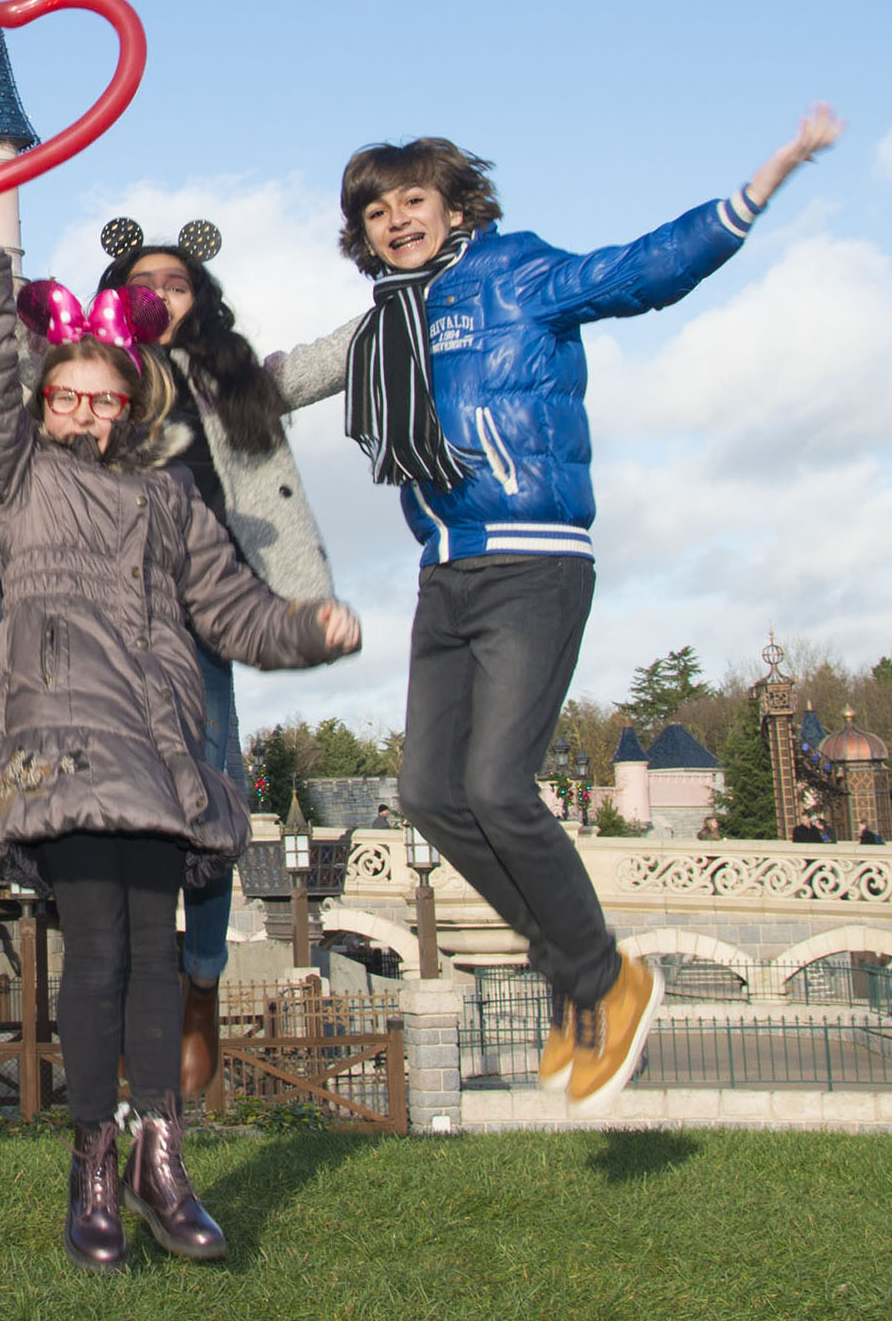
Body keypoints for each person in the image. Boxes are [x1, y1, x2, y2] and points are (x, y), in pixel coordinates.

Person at [333, 111, 839, 1116]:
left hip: (532, 558)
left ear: (454, 205)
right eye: (377, 212)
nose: (397, 222)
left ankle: (602, 978)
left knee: (498, 784)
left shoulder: (515, 274)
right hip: (443, 570)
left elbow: (640, 269)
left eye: (413, 203)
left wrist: (763, 180)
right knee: (432, 793)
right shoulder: (393, 318)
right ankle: (583, 978)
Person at [0, 172, 362, 1271]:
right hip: (63, 749)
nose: (86, 411)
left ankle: (159, 1161)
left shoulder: (168, 500)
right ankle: (91, 1168)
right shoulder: (16, 481)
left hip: (161, 753)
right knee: (94, 962)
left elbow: (233, 610)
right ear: (43, 407)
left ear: (131, 405)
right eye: (67, 396)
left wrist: (308, 629)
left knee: (155, 959)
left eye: (104, 398)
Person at [93, 209, 360, 1103]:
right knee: (107, 805)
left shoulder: (236, 384)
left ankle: (201, 981)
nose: (157, 297)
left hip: (206, 611)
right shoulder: (88, 383)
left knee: (212, 790)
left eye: (174, 285)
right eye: (140, 286)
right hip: (106, 619)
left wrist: (422, 292)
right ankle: (140, 996)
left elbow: (333, 356)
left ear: (200, 300)